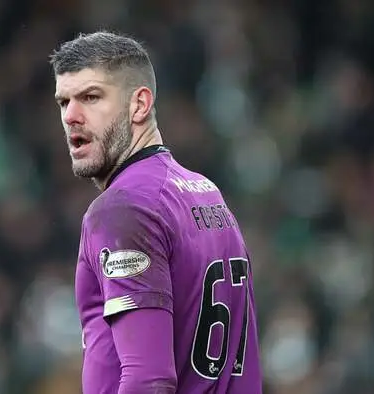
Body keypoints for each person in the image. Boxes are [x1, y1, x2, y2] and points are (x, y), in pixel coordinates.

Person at [49, 31, 262, 394]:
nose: (71, 115)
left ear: (140, 104)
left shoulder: (123, 209)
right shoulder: (208, 195)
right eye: (64, 101)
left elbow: (149, 381)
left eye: (91, 96)